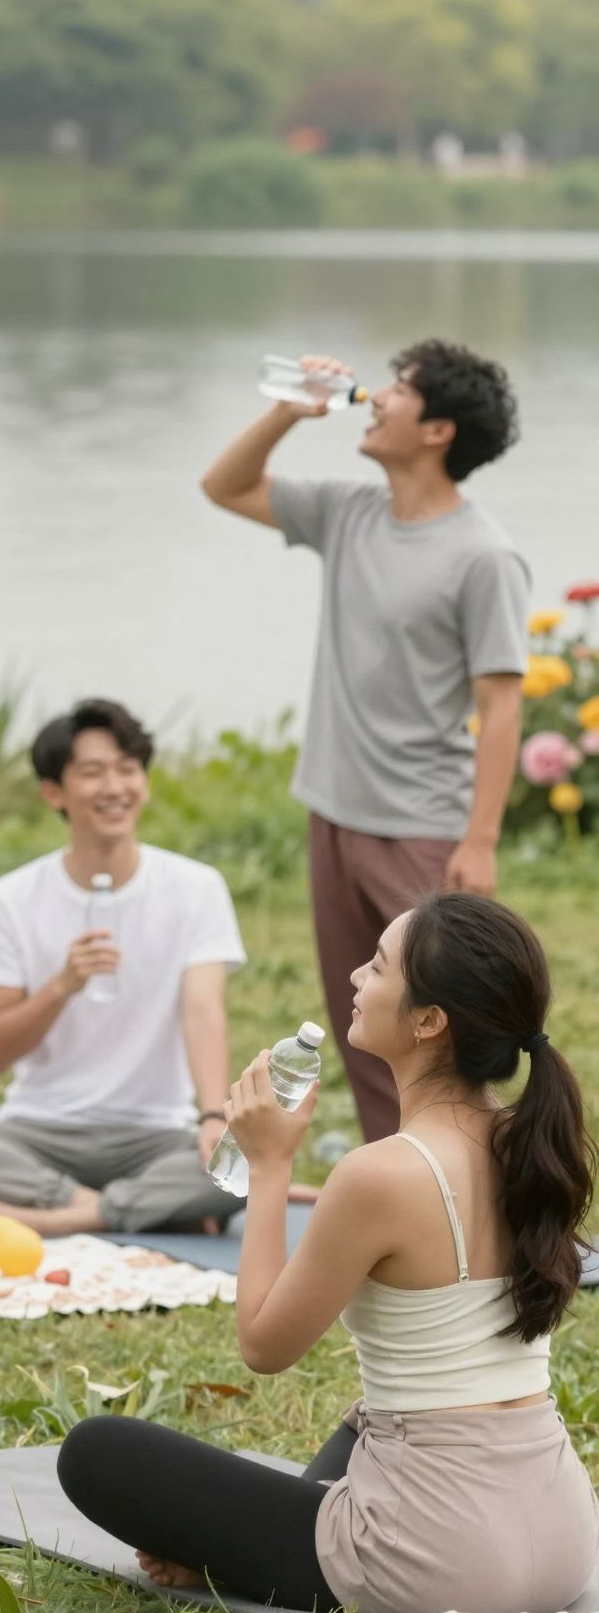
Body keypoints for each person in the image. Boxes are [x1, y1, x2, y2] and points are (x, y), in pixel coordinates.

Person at [58, 893, 598, 1613]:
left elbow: (262, 1344)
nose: (353, 976)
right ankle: (239, 1548)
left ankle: (232, 1552)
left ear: (429, 1021)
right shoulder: (532, 1143)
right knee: (367, 1421)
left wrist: (270, 1167)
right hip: (564, 1535)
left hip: (448, 1561)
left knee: (97, 1451)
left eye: (377, 967)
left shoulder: (383, 1175)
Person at [200, 339, 527, 1143]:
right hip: (333, 816)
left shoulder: (484, 556)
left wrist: (479, 839)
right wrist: (290, 408)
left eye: (401, 389)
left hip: (419, 824)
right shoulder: (349, 512)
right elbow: (224, 485)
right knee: (372, 1029)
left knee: (451, 1035)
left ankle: (502, 1197)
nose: (377, 396)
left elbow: (503, 704)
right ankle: (402, 1186)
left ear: (439, 429)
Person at [0, 699, 245, 1237]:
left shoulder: (196, 888)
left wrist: (215, 1118)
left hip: (153, 1135)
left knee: (248, 1157)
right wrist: (61, 986)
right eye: (93, 772)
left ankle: (68, 1215)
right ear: (54, 792)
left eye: (128, 769)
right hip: (37, 1135)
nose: (115, 787)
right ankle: (99, 1206)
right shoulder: (12, 899)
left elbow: (203, 1011)